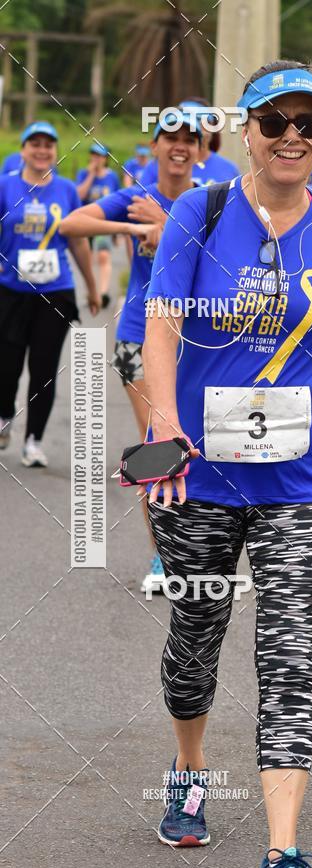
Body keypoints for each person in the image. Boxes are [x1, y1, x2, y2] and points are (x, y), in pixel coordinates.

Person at [142, 60, 312, 868]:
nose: (292, 136)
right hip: (202, 473)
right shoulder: (200, 212)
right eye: (273, 121)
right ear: (244, 130)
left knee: (288, 655)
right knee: (196, 635)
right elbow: (162, 324)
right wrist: (164, 422)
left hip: (303, 474)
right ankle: (188, 768)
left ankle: (282, 854)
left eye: (308, 122)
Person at [60, 112, 201, 593]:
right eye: (171, 138)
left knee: (204, 453)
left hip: (201, 340)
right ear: (155, 146)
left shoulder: (211, 201)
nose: (180, 146)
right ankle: (163, 558)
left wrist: (171, 226)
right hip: (141, 336)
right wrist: (136, 229)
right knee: (159, 446)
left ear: (200, 151)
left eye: (190, 140)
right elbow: (71, 223)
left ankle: (199, 550)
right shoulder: (137, 198)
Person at [0, 121, 100, 465]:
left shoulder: (67, 191)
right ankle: (4, 415)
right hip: (10, 291)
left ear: (55, 151)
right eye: (35, 144)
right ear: (24, 149)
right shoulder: (5, 186)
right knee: (6, 365)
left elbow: (77, 240)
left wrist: (92, 286)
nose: (42, 150)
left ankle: (33, 442)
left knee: (43, 368)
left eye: (48, 145)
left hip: (55, 292)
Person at [139, 97, 239, 187]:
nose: (193, 125)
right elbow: (140, 199)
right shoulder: (156, 166)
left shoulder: (228, 169)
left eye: (200, 119)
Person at [75, 141, 121, 309]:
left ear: (105, 159)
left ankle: (103, 293)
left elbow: (117, 203)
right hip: (86, 223)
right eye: (93, 155)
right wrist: (91, 175)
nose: (96, 159)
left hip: (103, 223)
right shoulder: (83, 174)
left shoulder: (112, 177)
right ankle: (91, 290)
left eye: (100, 156)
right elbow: (79, 195)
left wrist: (117, 231)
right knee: (86, 259)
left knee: (103, 256)